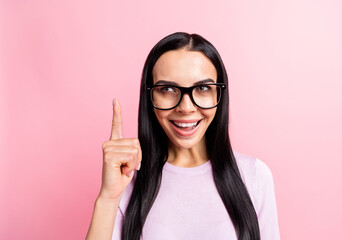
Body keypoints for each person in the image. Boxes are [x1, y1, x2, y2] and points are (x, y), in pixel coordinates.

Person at [86, 32, 280, 240]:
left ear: (219, 94)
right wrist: (107, 198)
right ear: (149, 95)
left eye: (203, 88)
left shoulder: (254, 176)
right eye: (168, 89)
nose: (186, 107)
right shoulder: (126, 180)